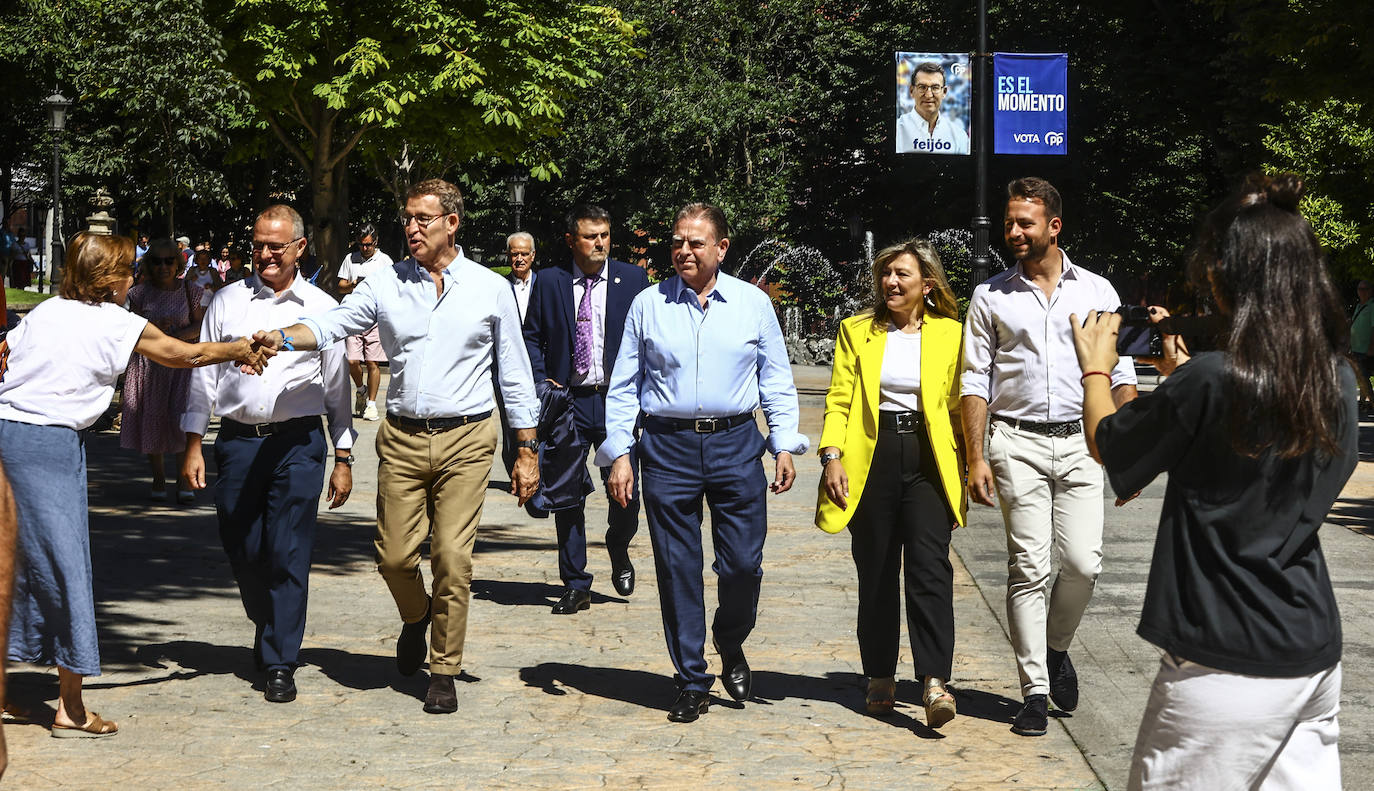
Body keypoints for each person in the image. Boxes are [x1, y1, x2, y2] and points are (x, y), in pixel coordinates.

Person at [1070, 173, 1353, 790]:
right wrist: (1182, 379)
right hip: (1311, 645)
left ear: (1228, 279)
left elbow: (1111, 448)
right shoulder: (1336, 379)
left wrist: (1095, 366)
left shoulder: (1210, 381)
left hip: (1223, 659)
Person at [251, 178, 540, 715]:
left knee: (452, 557)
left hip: (468, 437)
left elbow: (515, 372)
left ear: (452, 223)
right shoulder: (384, 282)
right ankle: (416, 615)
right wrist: (285, 335)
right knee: (393, 558)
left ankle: (443, 670)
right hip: (404, 438)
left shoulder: (487, 287)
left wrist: (527, 447)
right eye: (406, 218)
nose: (411, 228)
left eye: (422, 219)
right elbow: (336, 321)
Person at [0, 232, 266, 738]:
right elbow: (181, 354)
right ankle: (71, 708)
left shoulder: (46, 311)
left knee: (9, 564)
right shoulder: (116, 321)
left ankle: (8, 691)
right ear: (113, 278)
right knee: (65, 568)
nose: (134, 277)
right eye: (129, 270)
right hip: (47, 446)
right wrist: (241, 347)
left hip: (6, 437)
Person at [596, 202, 807, 723]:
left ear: (721, 249)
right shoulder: (648, 304)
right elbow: (624, 384)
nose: (683, 251)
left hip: (737, 443)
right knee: (677, 568)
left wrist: (782, 442)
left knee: (741, 565)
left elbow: (776, 379)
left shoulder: (754, 304)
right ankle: (691, 677)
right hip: (666, 449)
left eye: (694, 243)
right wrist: (620, 452)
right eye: (677, 241)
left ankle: (730, 640)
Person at [960, 177, 1138, 737]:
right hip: (1016, 441)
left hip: (1086, 442)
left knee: (1084, 564)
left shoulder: (1098, 291)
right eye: (1009, 222)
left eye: (1024, 223)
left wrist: (1130, 452)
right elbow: (974, 381)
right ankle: (1034, 689)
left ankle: (1054, 649)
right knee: (1029, 568)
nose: (1012, 231)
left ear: (1053, 227)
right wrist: (976, 456)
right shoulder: (991, 295)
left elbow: (1123, 375)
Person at [181, 205, 356, 703]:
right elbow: (202, 373)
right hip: (236, 441)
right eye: (258, 244)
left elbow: (338, 389)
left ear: (300, 247)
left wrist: (343, 456)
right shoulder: (227, 300)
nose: (264, 254)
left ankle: (281, 660)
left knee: (288, 550)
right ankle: (269, 619)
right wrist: (194, 442)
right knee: (243, 546)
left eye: (275, 246)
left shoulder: (322, 308)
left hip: (298, 445)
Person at [814, 239, 967, 729]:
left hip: (928, 461)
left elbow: (963, 406)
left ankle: (934, 682)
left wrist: (973, 462)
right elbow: (839, 399)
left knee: (930, 570)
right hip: (872, 458)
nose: (892, 283)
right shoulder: (856, 330)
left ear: (927, 284)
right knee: (877, 572)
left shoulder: (951, 334)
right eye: (886, 274)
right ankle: (879, 674)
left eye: (903, 274)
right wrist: (832, 456)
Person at [524, 206, 649, 614]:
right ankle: (576, 582)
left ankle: (618, 542)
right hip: (569, 402)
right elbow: (532, 337)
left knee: (625, 490)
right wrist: (543, 381)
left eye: (605, 235)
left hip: (617, 400)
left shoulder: (632, 279)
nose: (600, 243)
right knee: (567, 494)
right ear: (571, 241)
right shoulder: (549, 282)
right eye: (591, 236)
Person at [121, 238, 210, 503]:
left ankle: (184, 480)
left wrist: (174, 336)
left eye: (169, 261)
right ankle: (159, 478)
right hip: (149, 367)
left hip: (182, 366)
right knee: (153, 420)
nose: (163, 266)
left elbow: (200, 325)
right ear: (149, 264)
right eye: (157, 261)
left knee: (182, 421)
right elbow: (131, 328)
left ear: (178, 263)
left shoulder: (190, 291)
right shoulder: (138, 294)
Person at [337, 224, 393, 421]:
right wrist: (354, 284)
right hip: (353, 315)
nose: (365, 248)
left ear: (375, 242)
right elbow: (341, 286)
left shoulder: (385, 261)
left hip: (375, 316)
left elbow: (393, 288)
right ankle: (360, 390)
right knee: (352, 360)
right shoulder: (350, 259)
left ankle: (371, 404)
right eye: (361, 244)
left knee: (372, 362)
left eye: (368, 244)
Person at [895, 61, 970, 155]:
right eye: (922, 87)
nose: (928, 95)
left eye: (935, 87)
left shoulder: (959, 135)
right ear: (911, 91)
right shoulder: (897, 131)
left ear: (944, 92)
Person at [1349, 280, 1374, 410]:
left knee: (1363, 376)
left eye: (1365, 289)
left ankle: (1371, 401)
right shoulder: (1359, 306)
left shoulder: (1372, 306)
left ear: (1370, 291)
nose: (1362, 292)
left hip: (1366, 349)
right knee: (1362, 375)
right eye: (1360, 289)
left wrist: (1371, 347)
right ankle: (1364, 402)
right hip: (1356, 347)